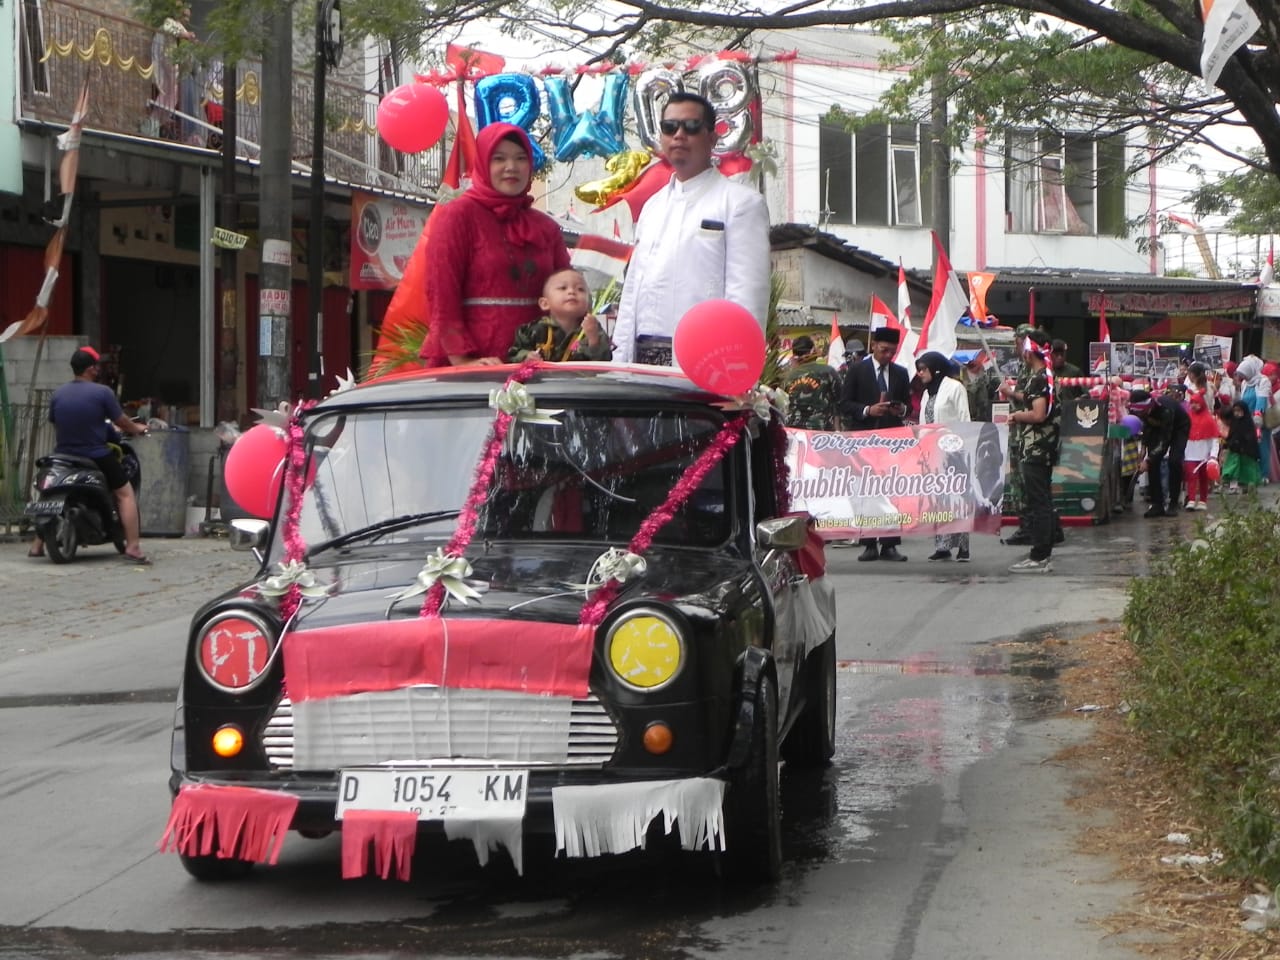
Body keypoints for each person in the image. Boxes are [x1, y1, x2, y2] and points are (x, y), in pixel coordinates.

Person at [612, 92, 771, 365]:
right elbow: (632, 293)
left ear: (712, 137)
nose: (679, 135)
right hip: (639, 366)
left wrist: (733, 371)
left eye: (691, 127)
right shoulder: (652, 207)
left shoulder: (740, 204)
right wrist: (619, 362)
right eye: (670, 127)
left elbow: (747, 298)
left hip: (703, 364)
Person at [419, 123, 571, 367]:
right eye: (499, 159)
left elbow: (566, 287)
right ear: (483, 163)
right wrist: (463, 361)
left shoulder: (546, 227)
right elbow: (442, 294)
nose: (511, 167)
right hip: (478, 365)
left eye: (521, 158)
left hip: (538, 363)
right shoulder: (458, 216)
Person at [29, 348, 150, 563]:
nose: (98, 370)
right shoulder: (102, 393)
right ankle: (133, 547)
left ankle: (37, 545)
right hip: (95, 454)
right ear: (90, 369)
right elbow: (122, 422)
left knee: (49, 491)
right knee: (125, 493)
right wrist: (137, 428)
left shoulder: (59, 394)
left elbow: (55, 421)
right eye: (96, 366)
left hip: (63, 455)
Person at [839, 326, 912, 562]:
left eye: (892, 352)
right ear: (873, 346)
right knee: (866, 491)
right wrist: (868, 410)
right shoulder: (857, 370)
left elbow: (908, 406)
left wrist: (900, 409)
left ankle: (890, 543)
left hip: (891, 441)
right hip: (864, 438)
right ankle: (869, 543)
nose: (888, 356)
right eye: (883, 350)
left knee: (891, 492)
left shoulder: (900, 373)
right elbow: (844, 404)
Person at [1007, 330, 1061, 573]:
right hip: (1042, 447)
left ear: (1030, 352)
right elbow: (1034, 399)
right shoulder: (1044, 377)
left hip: (1037, 448)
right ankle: (1044, 552)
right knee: (1043, 500)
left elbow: (1038, 414)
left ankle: (1039, 555)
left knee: (1038, 501)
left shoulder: (1040, 378)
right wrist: (1012, 394)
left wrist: (1017, 415)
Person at [916, 351, 973, 562]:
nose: (920, 373)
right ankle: (942, 546)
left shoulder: (955, 388)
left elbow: (964, 418)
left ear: (936, 369)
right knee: (938, 500)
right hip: (932, 453)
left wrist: (962, 447)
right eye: (919, 369)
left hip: (953, 451)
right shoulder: (927, 393)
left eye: (924, 369)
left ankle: (963, 547)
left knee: (957, 500)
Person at [506, 269, 612, 363]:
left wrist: (593, 339)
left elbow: (604, 362)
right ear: (545, 303)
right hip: (540, 383)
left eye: (580, 289)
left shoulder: (592, 328)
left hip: (578, 384)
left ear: (588, 303)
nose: (572, 292)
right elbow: (513, 354)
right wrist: (527, 357)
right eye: (563, 288)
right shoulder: (534, 329)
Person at [1128, 388, 1190, 517]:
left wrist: (1148, 459)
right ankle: (1157, 504)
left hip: (1178, 428)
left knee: (1174, 461)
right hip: (1157, 429)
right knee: (1153, 464)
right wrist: (1144, 450)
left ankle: (1173, 502)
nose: (1142, 414)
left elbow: (1164, 441)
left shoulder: (1166, 409)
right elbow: (1147, 427)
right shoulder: (1142, 412)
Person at [781, 336, 842, 430]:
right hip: (822, 431)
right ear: (813, 350)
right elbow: (840, 401)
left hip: (795, 430)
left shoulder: (788, 377)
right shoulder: (828, 372)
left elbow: (784, 405)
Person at [1182, 362, 1219, 511]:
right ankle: (1192, 497)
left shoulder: (1195, 388)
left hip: (1205, 424)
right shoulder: (1210, 386)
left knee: (1203, 472)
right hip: (1196, 425)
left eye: (1189, 373)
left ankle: (1202, 499)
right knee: (1192, 472)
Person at [1222, 399, 1262, 493]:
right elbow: (1231, 435)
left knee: (1248, 469)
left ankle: (1249, 486)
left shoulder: (1248, 423)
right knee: (1233, 468)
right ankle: (1233, 486)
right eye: (1235, 411)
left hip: (1246, 451)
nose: (1237, 413)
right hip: (1235, 450)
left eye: (1239, 411)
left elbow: (1251, 438)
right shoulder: (1234, 423)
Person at [1051, 339, 1084, 403]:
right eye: (1056, 355)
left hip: (1070, 409)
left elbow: (1086, 393)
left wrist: (1080, 399)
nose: (1060, 357)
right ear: (1050, 355)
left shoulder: (1075, 372)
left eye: (1062, 354)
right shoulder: (1046, 372)